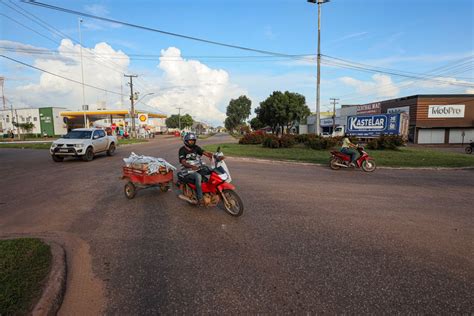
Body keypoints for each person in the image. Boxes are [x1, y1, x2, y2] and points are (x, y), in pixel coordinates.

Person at [179, 132, 213, 206]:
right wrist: (191, 166)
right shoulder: (182, 150)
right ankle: (200, 199)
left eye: (193, 140)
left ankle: (211, 191)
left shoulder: (196, 147)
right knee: (198, 176)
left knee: (210, 171)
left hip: (197, 168)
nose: (192, 142)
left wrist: (213, 156)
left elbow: (204, 152)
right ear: (186, 141)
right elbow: (183, 162)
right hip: (187, 171)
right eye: (190, 141)